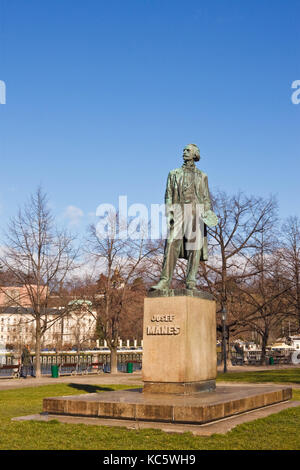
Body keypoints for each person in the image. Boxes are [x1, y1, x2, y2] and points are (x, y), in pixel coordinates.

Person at [151, 144, 218, 291]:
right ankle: (164, 281)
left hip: (197, 212)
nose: (184, 152)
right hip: (178, 211)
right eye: (184, 150)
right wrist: (169, 213)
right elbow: (168, 195)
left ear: (195, 154)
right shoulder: (173, 173)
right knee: (171, 244)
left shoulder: (203, 176)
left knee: (195, 248)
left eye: (187, 150)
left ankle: (191, 281)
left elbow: (206, 198)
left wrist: (208, 212)